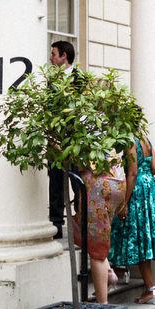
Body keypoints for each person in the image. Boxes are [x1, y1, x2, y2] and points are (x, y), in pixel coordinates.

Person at [109, 129, 155, 305]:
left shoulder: (130, 141)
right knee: (139, 234)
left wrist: (124, 202)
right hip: (150, 189)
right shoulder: (146, 139)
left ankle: (149, 288)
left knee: (134, 235)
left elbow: (132, 172)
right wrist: (145, 176)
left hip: (137, 191)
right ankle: (121, 270)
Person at [75, 139, 128, 305]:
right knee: (81, 230)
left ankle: (102, 305)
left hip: (99, 185)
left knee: (96, 249)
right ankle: (109, 271)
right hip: (118, 183)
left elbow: (84, 162)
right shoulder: (106, 122)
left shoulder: (83, 122)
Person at [47, 40, 85, 240]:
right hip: (54, 139)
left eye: (53, 54)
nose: (51, 58)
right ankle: (56, 224)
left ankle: (80, 224)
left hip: (73, 140)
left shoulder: (80, 79)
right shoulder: (51, 79)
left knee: (76, 181)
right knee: (54, 181)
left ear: (64, 56)